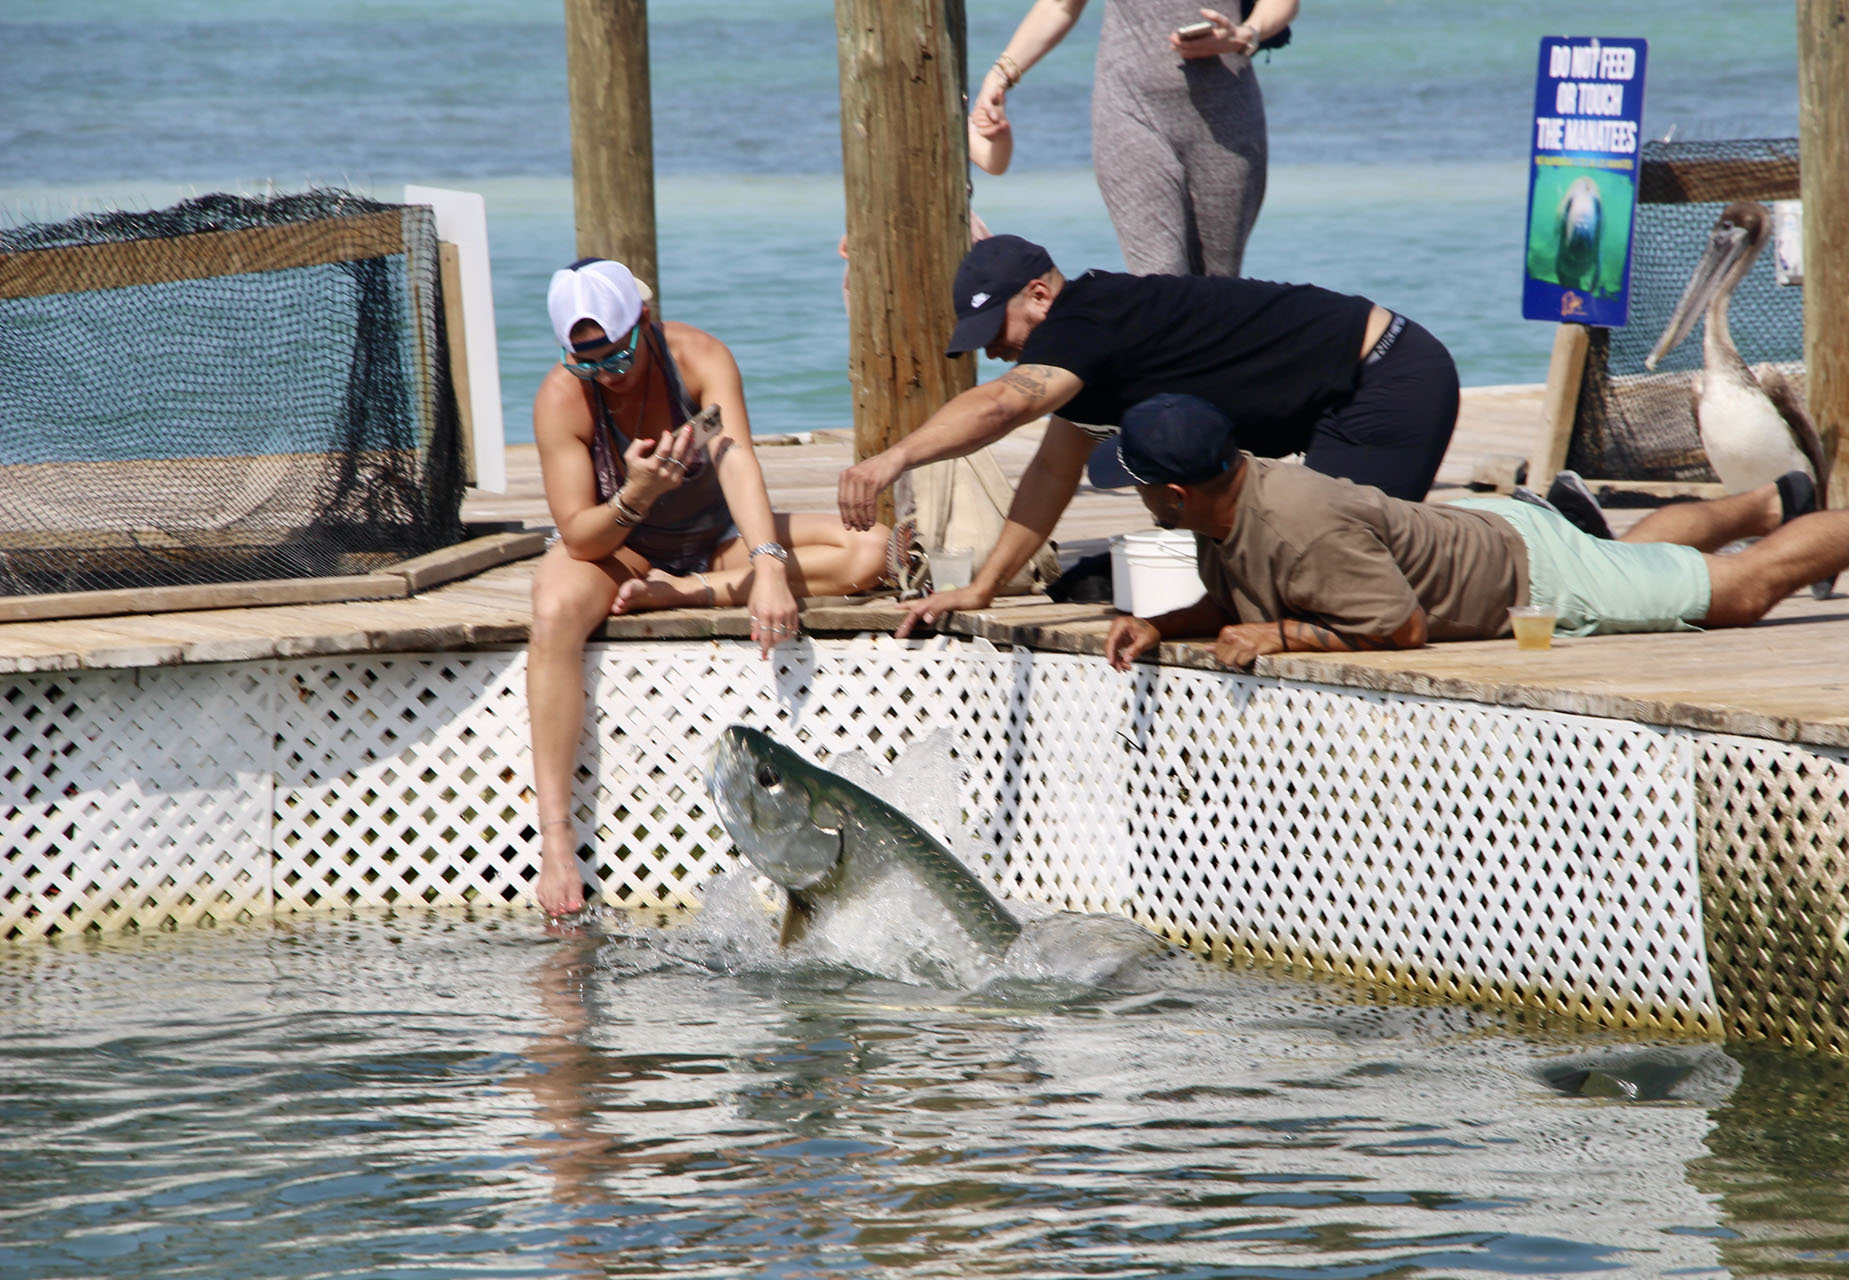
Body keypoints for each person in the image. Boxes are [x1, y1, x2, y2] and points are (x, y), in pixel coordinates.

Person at [844, 234, 1459, 630]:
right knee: (1290, 589)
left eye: (996, 332)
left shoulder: (1086, 320)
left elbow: (1004, 406)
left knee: (1336, 574)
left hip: (1384, 375)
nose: (999, 352)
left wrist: (891, 461)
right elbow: (1052, 475)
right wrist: (982, 588)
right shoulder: (1089, 353)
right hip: (1346, 394)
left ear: (1038, 295)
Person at [530, 258, 889, 917]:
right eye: (589, 364)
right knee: (552, 613)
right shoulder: (561, 398)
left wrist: (770, 564)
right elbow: (581, 537)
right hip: (623, 549)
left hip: (716, 538)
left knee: (873, 549)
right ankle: (556, 838)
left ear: (644, 320)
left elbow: (736, 458)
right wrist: (638, 493)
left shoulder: (697, 359)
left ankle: (695, 592)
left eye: (619, 354)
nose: (606, 373)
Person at [1087, 393, 1849, 671]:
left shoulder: (1299, 525)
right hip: (1497, 535)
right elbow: (1230, 599)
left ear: (1173, 491)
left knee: (1739, 593)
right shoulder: (1225, 501)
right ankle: (1772, 506)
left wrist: (1279, 635)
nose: (1135, 499)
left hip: (1532, 579)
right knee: (1622, 559)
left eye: (1136, 487)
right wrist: (1159, 626)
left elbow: (1398, 627)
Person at [972, 0, 1301, 276]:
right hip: (1130, 108)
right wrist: (1001, 74)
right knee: (1159, 276)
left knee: (1218, 285)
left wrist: (1246, 33)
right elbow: (1061, 5)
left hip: (1227, 114)